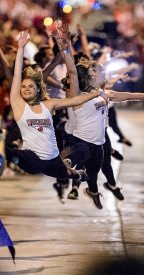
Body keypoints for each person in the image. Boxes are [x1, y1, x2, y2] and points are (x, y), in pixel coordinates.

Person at [8, 30, 106, 181]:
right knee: (16, 153)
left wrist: (96, 94)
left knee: (72, 165)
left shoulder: (48, 104)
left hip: (52, 160)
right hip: (32, 161)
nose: (26, 89)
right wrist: (20, 48)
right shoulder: (18, 105)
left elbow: (74, 101)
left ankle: (76, 174)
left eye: (31, 87)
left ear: (38, 90)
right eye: (24, 87)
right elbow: (16, 75)